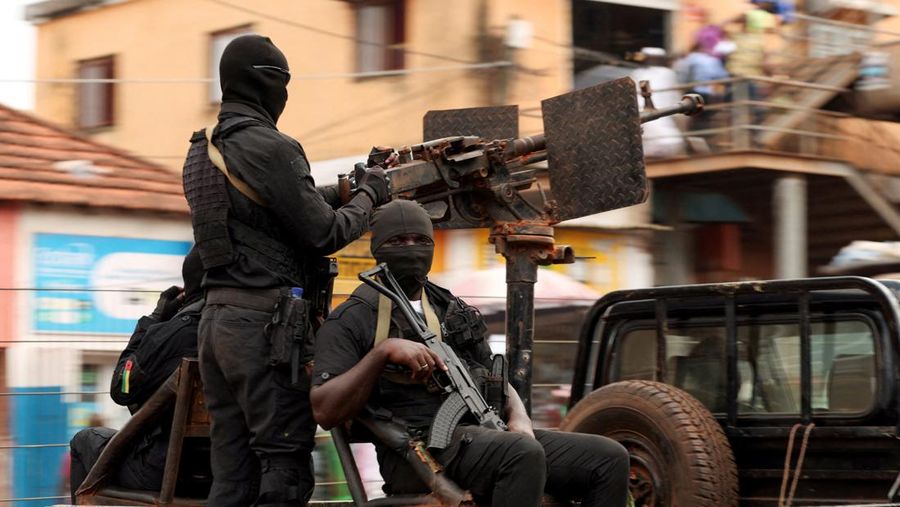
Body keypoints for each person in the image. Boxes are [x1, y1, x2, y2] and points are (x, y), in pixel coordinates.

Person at [181, 34, 390, 506]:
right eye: (285, 83)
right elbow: (323, 234)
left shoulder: (202, 149)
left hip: (216, 326)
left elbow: (265, 215)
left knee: (231, 474)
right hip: (264, 331)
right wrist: (372, 194)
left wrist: (348, 190)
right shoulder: (273, 147)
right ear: (268, 83)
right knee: (284, 468)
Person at [311, 200, 630, 507]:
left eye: (421, 239)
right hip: (417, 451)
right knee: (520, 454)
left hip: (485, 432)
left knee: (608, 458)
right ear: (377, 248)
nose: (411, 247)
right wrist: (382, 353)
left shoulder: (450, 307)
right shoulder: (353, 318)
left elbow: (495, 377)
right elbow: (325, 409)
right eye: (398, 240)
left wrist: (519, 419)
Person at [69, 248, 209, 502]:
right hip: (231, 473)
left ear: (187, 289)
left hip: (166, 472)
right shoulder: (247, 333)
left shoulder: (167, 334)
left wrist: (153, 320)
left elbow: (121, 388)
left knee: (84, 439)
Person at [629, 47, 685, 158]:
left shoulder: (636, 73)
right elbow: (675, 98)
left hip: (648, 117)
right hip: (658, 118)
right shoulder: (667, 73)